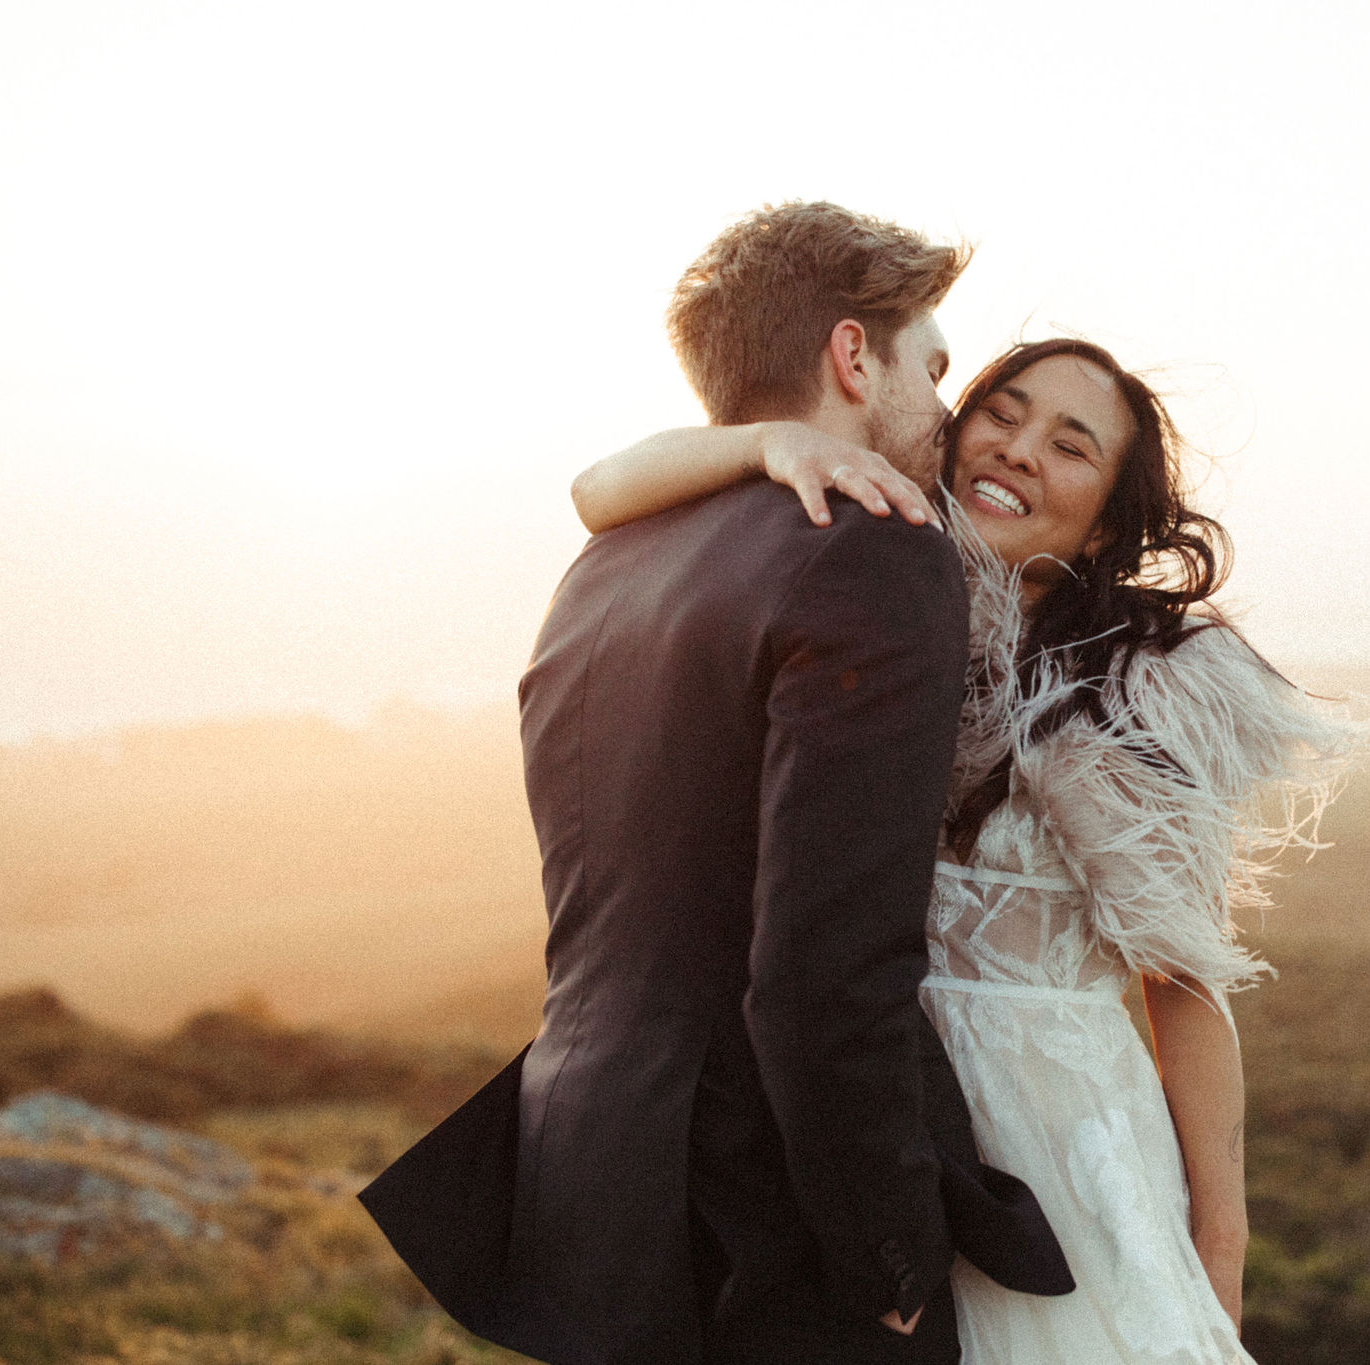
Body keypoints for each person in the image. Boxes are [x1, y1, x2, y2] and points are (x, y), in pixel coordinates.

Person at [358, 202, 1072, 1365]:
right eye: (930, 370)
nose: (945, 414)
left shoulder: (605, 563)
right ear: (852, 355)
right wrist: (887, 1253)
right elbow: (824, 967)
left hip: (587, 1176)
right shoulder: (875, 553)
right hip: (768, 1215)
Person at [570, 336, 1370, 1362]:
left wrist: (1219, 1243)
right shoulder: (865, 587)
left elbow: (1184, 983)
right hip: (878, 1143)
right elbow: (599, 489)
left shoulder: (1137, 691)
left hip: (1062, 1151)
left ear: (1101, 530)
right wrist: (767, 443)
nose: (1022, 449)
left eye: (1071, 445)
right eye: (1003, 411)